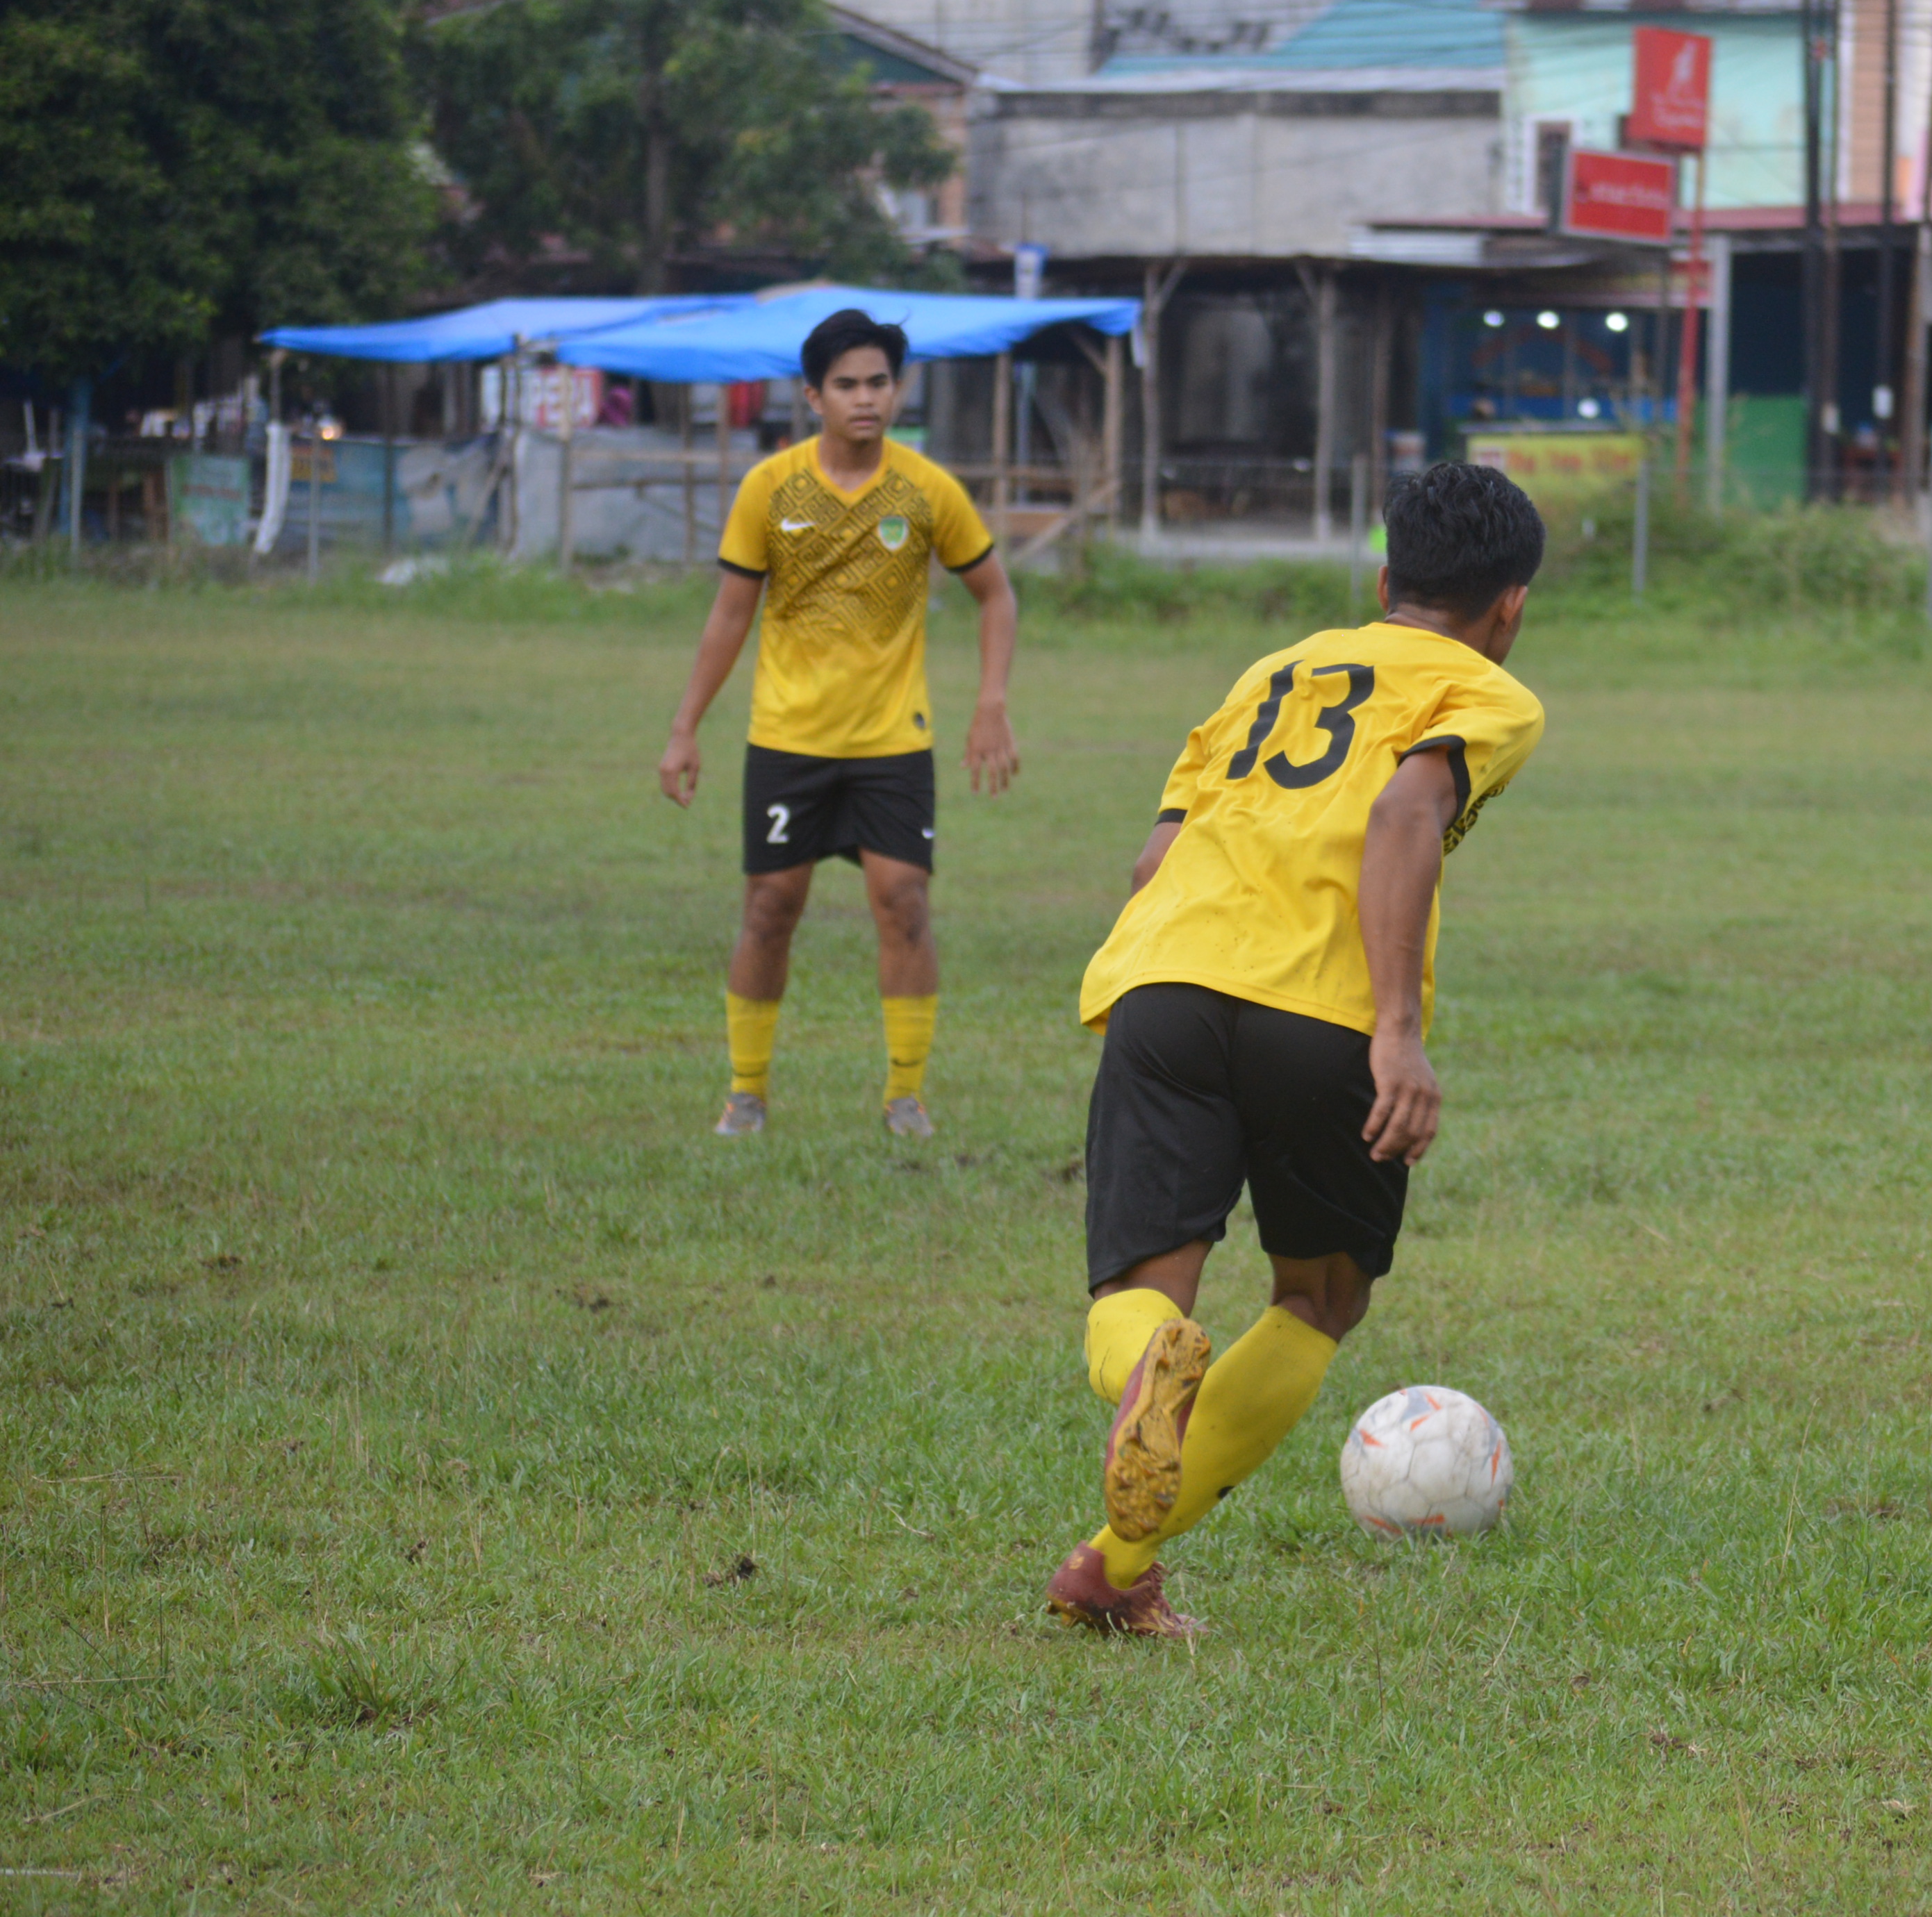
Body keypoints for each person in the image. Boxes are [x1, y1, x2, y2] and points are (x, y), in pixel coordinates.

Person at [1046, 462, 1549, 1638]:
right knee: (1320, 1295)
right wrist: (1399, 1035)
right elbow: (1403, 813)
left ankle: (1121, 1531)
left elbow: (1154, 859)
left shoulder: (1272, 672)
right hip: (1318, 1014)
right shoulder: (1488, 692)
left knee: (1141, 1291)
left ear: (1383, 580)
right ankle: (1118, 1557)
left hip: (1165, 982)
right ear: (1511, 606)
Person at [657, 309, 1020, 1140]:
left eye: (879, 383)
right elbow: (730, 614)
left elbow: (996, 594)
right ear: (813, 396)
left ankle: (906, 1099)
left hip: (894, 742)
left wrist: (991, 701)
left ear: (899, 389)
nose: (866, 399)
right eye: (848, 385)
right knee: (769, 909)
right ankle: (746, 1095)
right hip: (788, 738)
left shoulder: (928, 491)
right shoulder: (770, 487)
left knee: (904, 903)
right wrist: (685, 727)